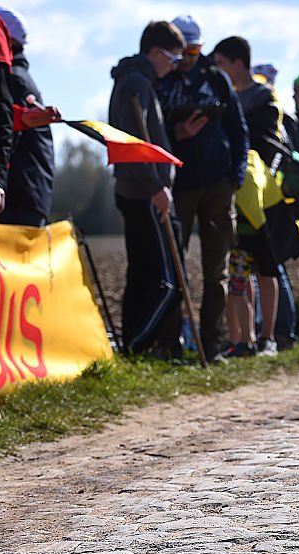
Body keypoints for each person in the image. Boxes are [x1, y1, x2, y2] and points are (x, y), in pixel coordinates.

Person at [158, 15, 248, 358]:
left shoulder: (217, 79)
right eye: (184, 52)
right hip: (177, 187)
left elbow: (239, 132)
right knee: (173, 266)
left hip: (217, 186)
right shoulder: (162, 81)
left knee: (216, 270)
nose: (189, 58)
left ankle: (210, 343)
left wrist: (235, 178)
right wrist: (177, 136)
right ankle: (170, 343)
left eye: (195, 50)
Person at [109, 21, 186, 358]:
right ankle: (137, 346)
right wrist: (157, 186)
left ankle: (133, 346)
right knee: (168, 281)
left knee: (141, 275)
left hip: (139, 191)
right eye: (172, 58)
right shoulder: (136, 84)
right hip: (144, 193)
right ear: (155, 52)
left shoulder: (135, 81)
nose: (173, 66)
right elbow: (133, 143)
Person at [212, 36, 289, 355]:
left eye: (222, 64)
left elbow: (269, 144)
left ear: (238, 64)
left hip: (263, 196)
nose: (217, 71)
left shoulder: (264, 98)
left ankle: (269, 337)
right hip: (233, 194)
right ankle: (243, 339)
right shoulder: (221, 95)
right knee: (238, 270)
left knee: (268, 268)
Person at [0, 6, 53, 227]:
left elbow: (6, 127)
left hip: (18, 197)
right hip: (30, 193)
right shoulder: (23, 77)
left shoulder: (14, 80)